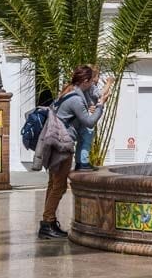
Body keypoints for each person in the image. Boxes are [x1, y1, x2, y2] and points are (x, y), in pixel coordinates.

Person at [38, 65, 103, 240]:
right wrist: (100, 107)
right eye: (92, 81)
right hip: (62, 146)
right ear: (86, 81)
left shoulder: (68, 92)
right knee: (58, 186)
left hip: (54, 144)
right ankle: (47, 223)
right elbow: (89, 122)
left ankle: (48, 222)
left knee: (53, 185)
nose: (94, 84)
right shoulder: (75, 99)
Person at [75, 70, 114, 171]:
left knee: (81, 141)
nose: (98, 78)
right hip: (88, 116)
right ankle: (84, 162)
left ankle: (79, 162)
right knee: (86, 140)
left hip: (84, 116)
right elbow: (100, 94)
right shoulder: (91, 86)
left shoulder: (84, 87)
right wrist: (109, 83)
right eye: (98, 76)